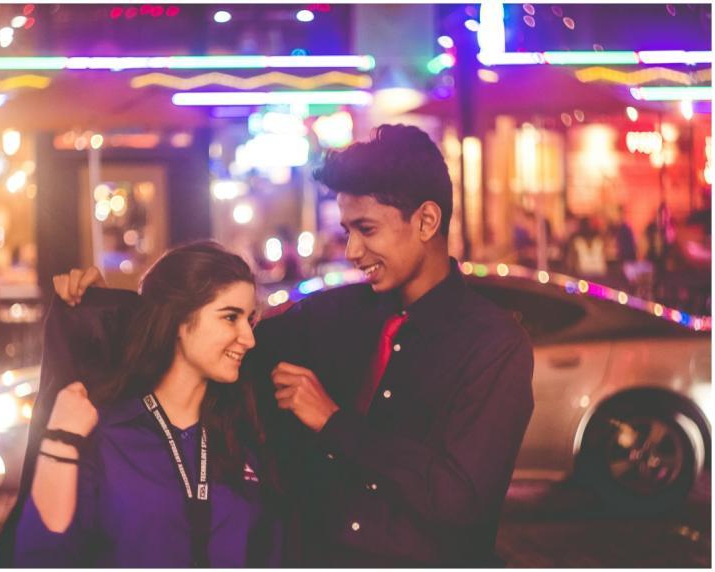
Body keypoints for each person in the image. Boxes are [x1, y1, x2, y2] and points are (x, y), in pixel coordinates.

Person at [59, 124, 534, 566]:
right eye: (348, 231)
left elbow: (461, 499)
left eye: (367, 229)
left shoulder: (493, 344)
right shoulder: (333, 317)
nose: (352, 251)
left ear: (427, 220)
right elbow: (205, 346)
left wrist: (333, 422)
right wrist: (101, 306)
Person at [11, 241, 281, 567]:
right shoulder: (105, 436)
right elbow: (39, 558)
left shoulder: (243, 435)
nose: (249, 339)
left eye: (249, 319)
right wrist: (60, 442)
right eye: (230, 317)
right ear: (178, 319)